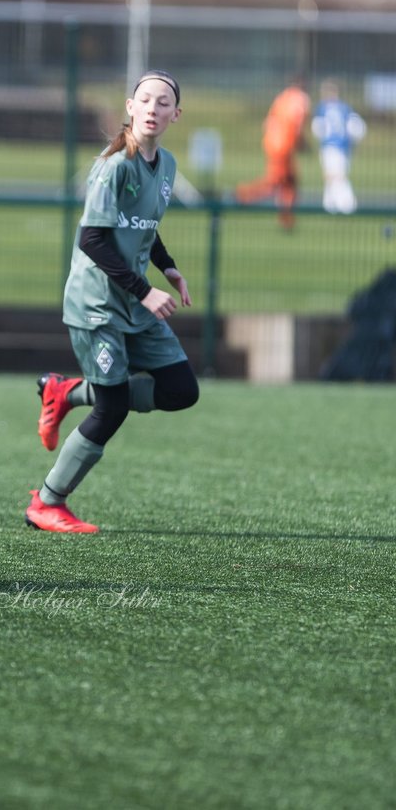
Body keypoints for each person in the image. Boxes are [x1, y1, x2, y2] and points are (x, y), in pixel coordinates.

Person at [27, 70, 199, 534]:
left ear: (175, 115)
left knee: (182, 390)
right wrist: (146, 291)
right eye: (145, 100)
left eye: (164, 103)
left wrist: (168, 267)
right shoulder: (114, 165)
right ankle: (46, 502)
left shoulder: (166, 166)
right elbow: (93, 240)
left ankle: (65, 391)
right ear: (130, 107)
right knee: (114, 407)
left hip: (132, 302)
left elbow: (144, 223)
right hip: (97, 306)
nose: (153, 109)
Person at [234, 76, 312, 230]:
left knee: (289, 181)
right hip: (285, 145)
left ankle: (286, 217)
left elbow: (269, 122)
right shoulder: (301, 99)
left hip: (272, 143)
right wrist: (302, 143)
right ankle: (243, 195)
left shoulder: (282, 97)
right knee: (275, 182)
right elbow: (296, 125)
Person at [312, 78, 366, 215]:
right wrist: (353, 143)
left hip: (330, 146)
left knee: (336, 176)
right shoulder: (345, 108)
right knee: (333, 175)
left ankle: (348, 204)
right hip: (344, 147)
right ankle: (330, 204)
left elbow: (317, 129)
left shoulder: (322, 108)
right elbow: (358, 128)